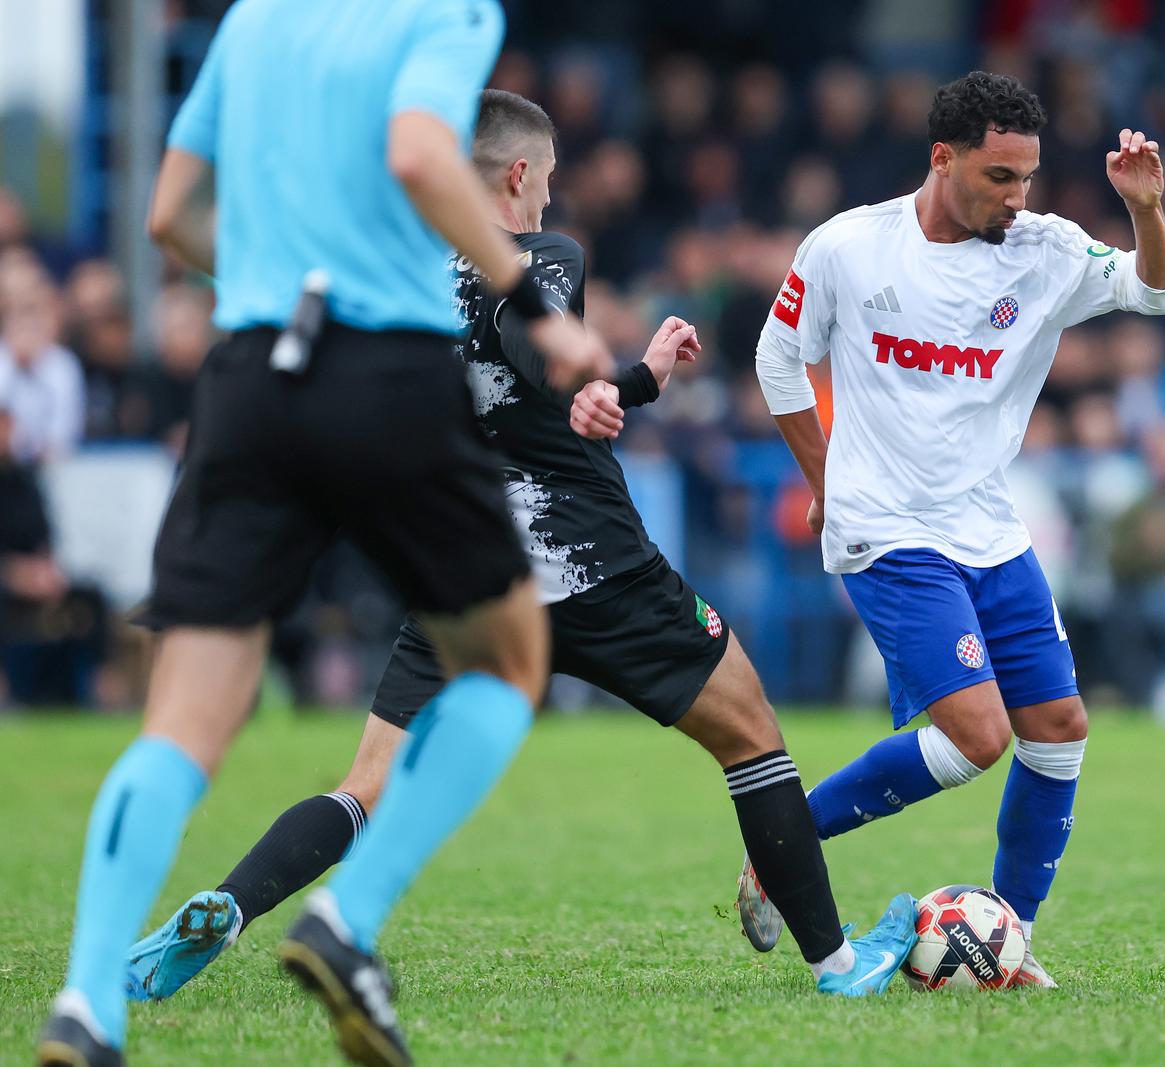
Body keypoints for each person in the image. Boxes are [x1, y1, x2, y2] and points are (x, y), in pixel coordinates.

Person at [121, 89, 915, 1017]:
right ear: (517, 175)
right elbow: (525, 338)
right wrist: (579, 381)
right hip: (591, 563)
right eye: (545, 183)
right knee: (751, 733)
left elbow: (512, 383)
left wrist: (631, 381)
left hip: (465, 570)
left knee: (364, 787)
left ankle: (231, 903)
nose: (546, 202)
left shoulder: (400, 280)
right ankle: (835, 962)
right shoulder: (547, 255)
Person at [35, 4, 609, 1066]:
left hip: (252, 373)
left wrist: (265, 290)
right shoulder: (447, 11)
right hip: (385, 370)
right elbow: (417, 153)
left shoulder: (256, 17)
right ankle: (346, 923)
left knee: (182, 722)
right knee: (510, 661)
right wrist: (535, 303)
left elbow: (169, 213)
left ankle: (85, 1003)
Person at [745, 71, 1165, 987]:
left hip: (986, 525)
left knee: (1058, 728)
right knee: (980, 735)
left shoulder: (1044, 251)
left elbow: (1155, 296)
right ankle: (785, 846)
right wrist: (824, 479)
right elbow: (778, 357)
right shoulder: (849, 248)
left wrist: (1144, 210)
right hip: (887, 526)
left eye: (1028, 177)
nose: (1017, 198)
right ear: (942, 160)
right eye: (998, 177)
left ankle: (1003, 939)